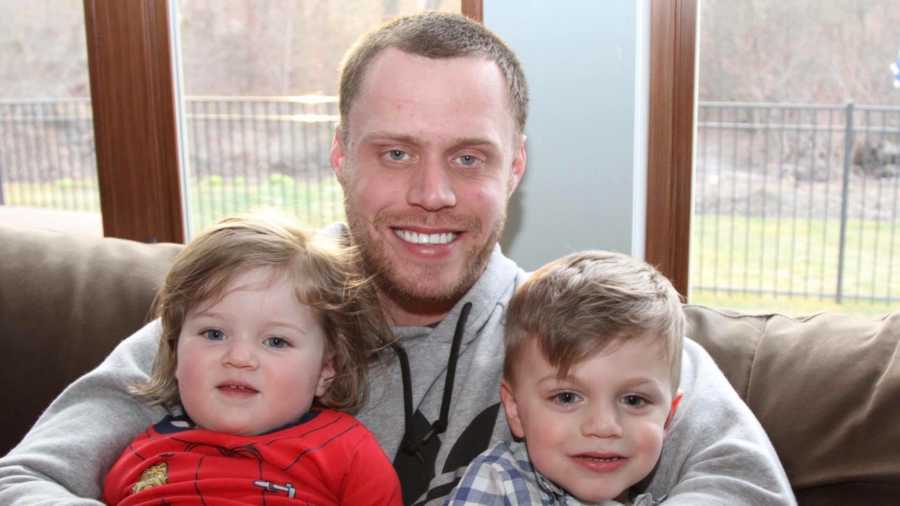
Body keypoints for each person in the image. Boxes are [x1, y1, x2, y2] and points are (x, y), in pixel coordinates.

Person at [0, 11, 796, 506]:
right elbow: (26, 480)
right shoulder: (245, 327)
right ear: (340, 155)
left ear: (516, 168)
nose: (431, 194)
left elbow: (747, 487)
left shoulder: (581, 334)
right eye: (394, 152)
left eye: (469, 159)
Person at [101, 215, 402, 505]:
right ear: (174, 351)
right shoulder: (138, 454)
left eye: (276, 341)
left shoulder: (348, 451)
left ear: (326, 369)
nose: (239, 358)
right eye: (214, 334)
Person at [447, 250, 685, 505]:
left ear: (667, 419)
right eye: (567, 397)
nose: (603, 427)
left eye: (634, 400)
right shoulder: (499, 484)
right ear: (515, 409)